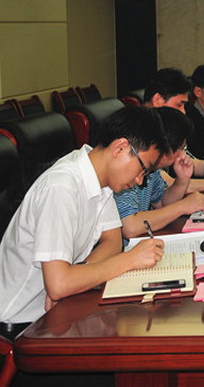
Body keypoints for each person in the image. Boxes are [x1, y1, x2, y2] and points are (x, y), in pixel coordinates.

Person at [0, 107, 167, 328]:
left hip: (56, 309)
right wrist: (130, 260)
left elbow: (113, 242)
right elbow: (59, 285)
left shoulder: (99, 177)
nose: (139, 181)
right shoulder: (61, 187)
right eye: (142, 169)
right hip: (19, 322)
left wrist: (77, 278)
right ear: (120, 147)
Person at [114, 108, 204, 238]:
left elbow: (162, 204)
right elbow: (130, 227)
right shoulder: (127, 171)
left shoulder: (152, 172)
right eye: (182, 148)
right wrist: (183, 206)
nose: (183, 154)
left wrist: (182, 180)